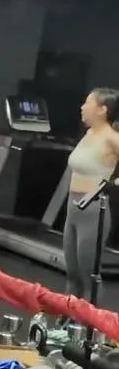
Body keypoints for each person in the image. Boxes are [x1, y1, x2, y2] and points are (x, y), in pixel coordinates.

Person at [63, 88, 119, 299]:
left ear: (102, 110)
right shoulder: (89, 134)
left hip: (93, 211)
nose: (82, 107)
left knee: (88, 275)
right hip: (73, 207)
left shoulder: (112, 138)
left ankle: (90, 319)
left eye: (88, 103)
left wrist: (116, 182)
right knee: (72, 273)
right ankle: (67, 316)